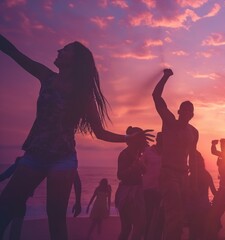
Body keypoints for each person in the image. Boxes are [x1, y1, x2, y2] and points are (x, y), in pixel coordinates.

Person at [0, 34, 152, 240]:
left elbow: (99, 132)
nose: (59, 51)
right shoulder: (47, 76)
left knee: (56, 218)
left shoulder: (83, 95)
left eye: (65, 49)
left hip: (63, 159)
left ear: (75, 60)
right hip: (35, 154)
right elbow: (14, 53)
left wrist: (127, 138)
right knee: (6, 207)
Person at [152, 68, 199, 240]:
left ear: (192, 114)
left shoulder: (193, 132)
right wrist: (165, 77)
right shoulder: (169, 122)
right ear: (179, 112)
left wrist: (193, 185)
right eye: (183, 110)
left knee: (178, 216)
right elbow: (156, 97)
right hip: (168, 173)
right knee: (175, 216)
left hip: (183, 176)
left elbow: (192, 159)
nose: (186, 113)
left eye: (189, 111)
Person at [0, 158, 82, 240]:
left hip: (20, 204)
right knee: (14, 229)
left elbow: (5, 175)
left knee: (13, 229)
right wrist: (78, 201)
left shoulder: (25, 162)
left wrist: (78, 201)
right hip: (20, 203)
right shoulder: (26, 162)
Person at [116, 126, 148, 240]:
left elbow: (144, 171)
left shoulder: (137, 154)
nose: (143, 141)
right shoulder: (125, 154)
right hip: (128, 193)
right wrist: (134, 166)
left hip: (136, 191)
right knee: (132, 227)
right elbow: (120, 175)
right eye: (141, 138)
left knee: (132, 227)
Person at [187, 150, 216, 240]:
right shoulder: (206, 174)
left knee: (194, 232)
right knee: (201, 232)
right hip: (204, 206)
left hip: (195, 207)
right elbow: (214, 192)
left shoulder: (191, 176)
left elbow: (186, 193)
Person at [141, 132, 164, 240]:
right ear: (157, 139)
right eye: (161, 138)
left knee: (161, 218)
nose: (163, 140)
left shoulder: (168, 152)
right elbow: (141, 165)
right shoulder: (148, 151)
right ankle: (145, 237)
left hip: (162, 189)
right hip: (148, 188)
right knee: (148, 216)